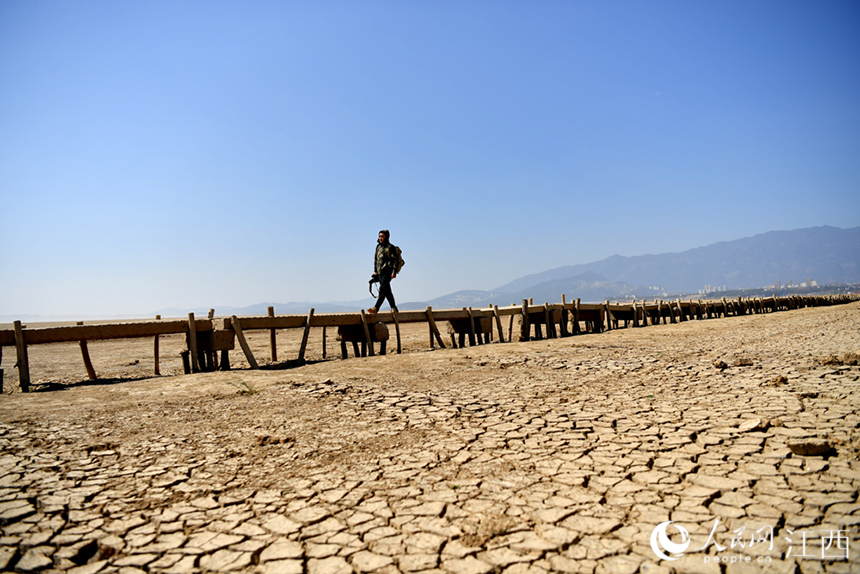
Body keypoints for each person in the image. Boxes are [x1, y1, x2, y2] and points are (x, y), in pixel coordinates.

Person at [368, 229, 398, 313]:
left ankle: (376, 308)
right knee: (387, 291)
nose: (380, 238)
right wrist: (375, 271)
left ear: (386, 237)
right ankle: (394, 308)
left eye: (382, 236)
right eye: (379, 236)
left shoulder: (390, 247)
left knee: (382, 290)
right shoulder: (378, 247)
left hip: (387, 272)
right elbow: (376, 260)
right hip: (380, 273)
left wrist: (394, 272)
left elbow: (395, 260)